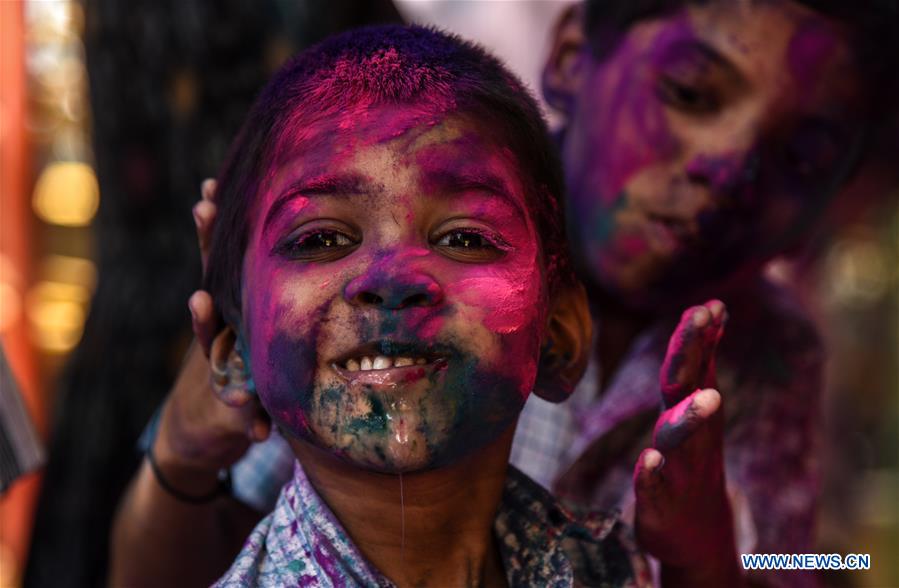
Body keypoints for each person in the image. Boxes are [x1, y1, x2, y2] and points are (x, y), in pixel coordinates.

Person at [111, 24, 740, 587]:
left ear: (559, 335)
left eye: (465, 237)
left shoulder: (602, 565)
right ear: (231, 355)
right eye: (322, 238)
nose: (391, 279)